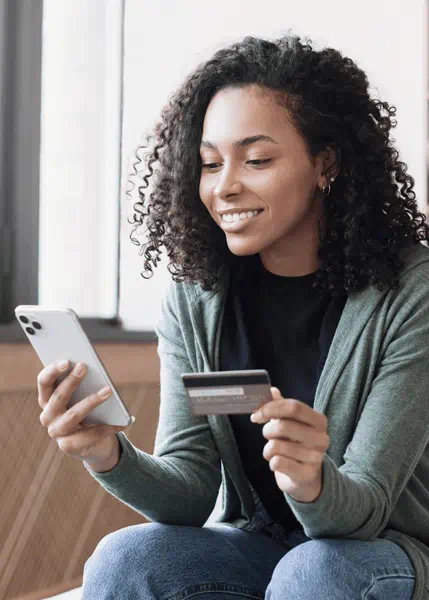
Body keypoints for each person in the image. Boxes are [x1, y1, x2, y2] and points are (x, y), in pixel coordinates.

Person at [36, 32, 429, 599]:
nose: (225, 187)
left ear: (327, 164)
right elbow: (192, 490)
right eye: (210, 163)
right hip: (264, 542)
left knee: (314, 572)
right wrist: (109, 453)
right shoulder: (196, 298)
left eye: (258, 159)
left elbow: (365, 510)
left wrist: (311, 481)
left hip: (382, 553)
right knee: (124, 559)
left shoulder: (409, 291)